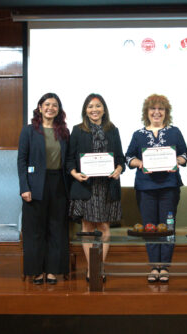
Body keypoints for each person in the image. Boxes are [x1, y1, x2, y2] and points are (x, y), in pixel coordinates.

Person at [125, 94, 187, 283]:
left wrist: (176, 160)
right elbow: (128, 158)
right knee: (150, 227)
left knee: (168, 227)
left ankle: (165, 267)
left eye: (161, 109)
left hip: (169, 187)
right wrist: (141, 163)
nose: (157, 112)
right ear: (147, 112)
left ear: (166, 112)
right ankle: (154, 266)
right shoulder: (138, 134)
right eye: (153, 109)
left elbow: (185, 155)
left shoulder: (174, 132)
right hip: (145, 188)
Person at [67, 93, 125, 282]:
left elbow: (120, 158)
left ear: (104, 109)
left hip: (107, 186)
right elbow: (69, 159)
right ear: (85, 109)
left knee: (104, 226)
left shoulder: (112, 130)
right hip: (86, 185)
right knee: (87, 226)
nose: (94, 110)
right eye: (91, 106)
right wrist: (75, 173)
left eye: (98, 106)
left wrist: (118, 169)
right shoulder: (77, 130)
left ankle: (100, 266)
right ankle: (92, 269)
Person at [17, 92, 71, 285]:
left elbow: (68, 161)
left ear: (59, 110)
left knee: (57, 229)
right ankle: (36, 271)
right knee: (35, 231)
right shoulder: (29, 131)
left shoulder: (64, 132)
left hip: (58, 185)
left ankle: (52, 271)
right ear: (40, 107)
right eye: (47, 104)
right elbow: (21, 161)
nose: (50, 108)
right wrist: (24, 187)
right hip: (35, 186)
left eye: (55, 105)